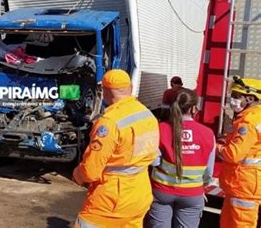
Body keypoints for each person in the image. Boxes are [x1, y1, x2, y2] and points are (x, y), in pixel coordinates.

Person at [73, 69, 160, 227]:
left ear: (105, 92)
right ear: (130, 87)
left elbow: (91, 171)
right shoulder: (147, 115)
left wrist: (77, 175)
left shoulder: (109, 123)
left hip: (112, 198)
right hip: (140, 192)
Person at [146, 89, 215, 228]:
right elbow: (209, 170)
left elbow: (154, 161)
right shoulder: (208, 133)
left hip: (162, 190)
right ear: (193, 108)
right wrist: (204, 186)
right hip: (192, 193)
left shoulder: (161, 128)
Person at [217, 76, 261, 228]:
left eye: (236, 96)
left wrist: (216, 147)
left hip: (244, 186)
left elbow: (233, 154)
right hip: (239, 185)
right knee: (228, 223)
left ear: (249, 98)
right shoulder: (252, 117)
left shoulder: (248, 122)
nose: (232, 100)